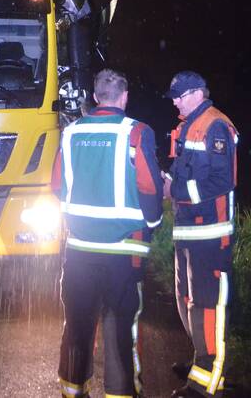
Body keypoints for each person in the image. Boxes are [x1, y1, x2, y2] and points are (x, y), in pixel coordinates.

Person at [52, 69, 164, 398]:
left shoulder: (71, 133)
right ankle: (120, 393)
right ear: (125, 97)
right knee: (119, 325)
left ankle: (73, 390)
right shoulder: (137, 132)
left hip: (79, 248)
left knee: (77, 323)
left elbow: (57, 185)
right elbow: (149, 186)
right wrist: (154, 223)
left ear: (96, 97)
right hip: (123, 250)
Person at [165, 71, 240, 398]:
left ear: (197, 93)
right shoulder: (187, 126)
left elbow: (221, 182)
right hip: (187, 231)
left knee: (207, 306)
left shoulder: (216, 126)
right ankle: (201, 362)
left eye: (179, 95)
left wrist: (176, 190)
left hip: (211, 234)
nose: (175, 101)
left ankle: (207, 384)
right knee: (187, 302)